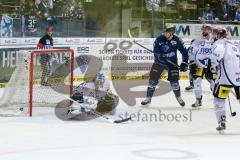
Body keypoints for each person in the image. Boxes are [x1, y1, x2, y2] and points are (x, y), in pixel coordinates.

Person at [141, 25, 189, 107]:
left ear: (171, 33)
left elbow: (184, 52)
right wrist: (159, 55)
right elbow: (155, 51)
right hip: (159, 62)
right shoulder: (159, 39)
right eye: (164, 32)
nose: (164, 33)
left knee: (174, 82)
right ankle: (148, 98)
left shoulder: (177, 40)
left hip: (172, 63)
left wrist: (184, 62)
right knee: (152, 80)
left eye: (166, 32)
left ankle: (178, 97)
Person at [211, 27, 240, 132]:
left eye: (215, 34)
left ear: (219, 35)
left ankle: (221, 121)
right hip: (239, 78)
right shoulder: (234, 45)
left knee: (218, 100)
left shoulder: (219, 43)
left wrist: (213, 67)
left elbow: (215, 57)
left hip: (225, 79)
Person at [189, 24, 217, 109]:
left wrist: (218, 63)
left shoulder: (214, 40)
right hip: (200, 65)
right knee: (197, 81)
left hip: (211, 65)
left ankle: (218, 101)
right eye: (204, 29)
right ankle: (198, 100)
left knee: (214, 82)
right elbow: (191, 51)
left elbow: (218, 52)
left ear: (210, 30)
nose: (204, 30)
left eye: (207, 29)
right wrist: (192, 62)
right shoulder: (198, 40)